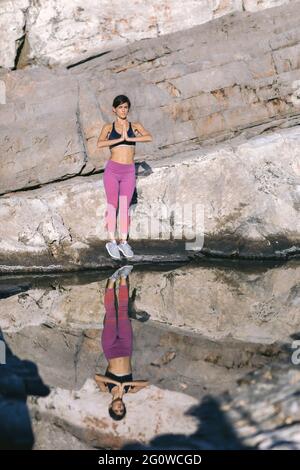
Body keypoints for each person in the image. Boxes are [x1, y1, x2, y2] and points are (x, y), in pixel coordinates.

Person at [97, 95, 152, 259]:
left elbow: (148, 137)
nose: (123, 110)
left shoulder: (135, 126)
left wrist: (130, 138)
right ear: (114, 110)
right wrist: (119, 139)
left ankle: (123, 241)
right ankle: (112, 242)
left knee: (124, 206)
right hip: (112, 170)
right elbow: (100, 143)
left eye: (126, 107)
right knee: (113, 205)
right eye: (120, 107)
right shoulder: (109, 127)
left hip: (129, 171)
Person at [95, 265, 149, 420]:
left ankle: (112, 278)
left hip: (110, 348)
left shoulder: (105, 390)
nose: (119, 408)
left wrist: (114, 383)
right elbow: (145, 383)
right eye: (122, 410)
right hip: (126, 348)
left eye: (116, 410)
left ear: (110, 407)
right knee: (123, 311)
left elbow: (97, 377)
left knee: (111, 312)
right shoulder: (130, 390)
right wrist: (124, 385)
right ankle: (124, 276)